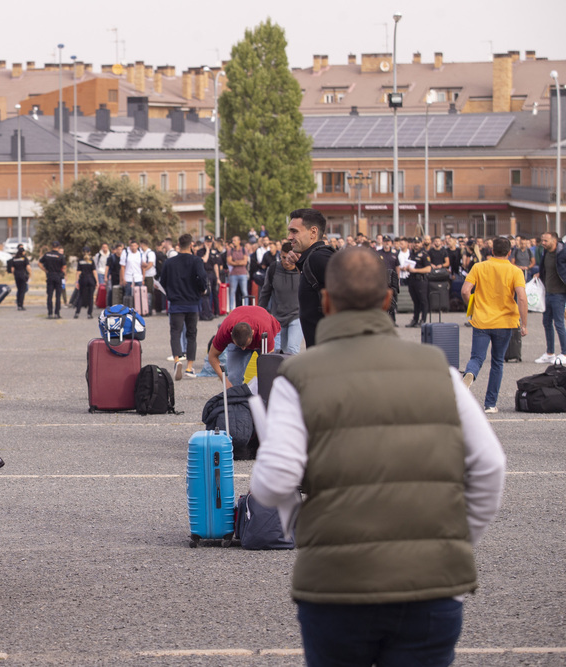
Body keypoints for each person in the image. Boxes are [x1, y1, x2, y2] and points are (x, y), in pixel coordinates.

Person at [250, 246, 506, 667]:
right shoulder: (438, 370)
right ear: (388, 300)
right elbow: (490, 466)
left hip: (336, 585)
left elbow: (276, 481)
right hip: (431, 583)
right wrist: (457, 541)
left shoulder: (297, 376)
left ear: (326, 301)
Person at [461, 236, 527, 413]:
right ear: (509, 252)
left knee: (477, 357)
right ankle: (490, 404)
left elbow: (465, 290)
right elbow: (521, 297)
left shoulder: (479, 267)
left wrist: (473, 308)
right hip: (505, 322)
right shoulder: (515, 271)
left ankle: (470, 374)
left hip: (482, 319)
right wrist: (525, 323)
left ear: (491, 251)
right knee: (497, 362)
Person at [158, 233, 208, 380]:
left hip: (176, 303)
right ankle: (189, 367)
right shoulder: (197, 260)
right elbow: (202, 278)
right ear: (191, 245)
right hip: (192, 303)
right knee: (191, 334)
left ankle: (177, 360)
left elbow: (163, 281)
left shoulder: (169, 262)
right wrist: (202, 289)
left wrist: (171, 293)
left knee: (175, 333)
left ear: (178, 245)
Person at [284, 208, 332, 348]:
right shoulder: (311, 259)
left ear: (313, 232)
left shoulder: (320, 258)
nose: (289, 237)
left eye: (295, 231)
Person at [206, 304, 281, 386]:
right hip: (244, 335)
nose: (243, 349)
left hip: (266, 334)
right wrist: (226, 382)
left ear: (252, 333)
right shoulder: (225, 331)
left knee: (271, 375)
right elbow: (212, 356)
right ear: (231, 335)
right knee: (234, 377)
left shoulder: (264, 330)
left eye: (245, 345)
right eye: (240, 346)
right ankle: (236, 396)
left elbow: (269, 363)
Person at [259, 242, 302, 355]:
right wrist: (260, 313)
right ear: (280, 255)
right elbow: (265, 292)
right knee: (280, 352)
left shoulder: (302, 270)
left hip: (297, 316)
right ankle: (281, 373)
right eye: (284, 257)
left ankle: (293, 373)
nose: (287, 261)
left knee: (292, 350)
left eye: (290, 258)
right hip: (278, 317)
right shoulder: (273, 269)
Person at [535, 232, 566, 364]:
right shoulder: (546, 252)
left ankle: (564, 353)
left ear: (554, 240)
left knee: (559, 323)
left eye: (546, 240)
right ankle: (550, 353)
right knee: (546, 322)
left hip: (559, 293)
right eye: (542, 240)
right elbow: (544, 269)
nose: (543, 243)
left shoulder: (563, 252)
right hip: (547, 292)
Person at [401, 238, 431, 327]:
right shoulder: (411, 254)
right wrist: (406, 268)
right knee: (415, 301)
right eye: (415, 243)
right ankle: (415, 319)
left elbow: (428, 269)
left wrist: (415, 270)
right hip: (412, 279)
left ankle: (423, 320)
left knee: (423, 301)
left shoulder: (424, 254)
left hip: (421, 280)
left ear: (421, 244)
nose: (416, 244)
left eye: (418, 243)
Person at [39, 242, 66, 319]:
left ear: (52, 246)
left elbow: (39, 263)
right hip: (58, 276)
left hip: (50, 276)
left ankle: (50, 313)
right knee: (58, 296)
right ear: (58, 247)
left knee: (49, 296)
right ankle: (57, 313)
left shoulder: (47, 255)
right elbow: (64, 266)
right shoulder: (60, 256)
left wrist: (45, 270)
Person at [226, 236, 249, 311]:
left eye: (235, 240)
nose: (233, 242)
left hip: (243, 273)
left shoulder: (244, 250)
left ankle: (246, 308)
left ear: (239, 241)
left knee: (244, 291)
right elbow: (229, 262)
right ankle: (231, 308)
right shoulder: (230, 250)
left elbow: (245, 262)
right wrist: (240, 262)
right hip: (233, 274)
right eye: (233, 240)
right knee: (232, 292)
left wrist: (235, 262)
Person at [74, 248, 97, 319]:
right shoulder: (91, 261)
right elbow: (94, 272)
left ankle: (77, 313)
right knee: (90, 297)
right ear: (89, 252)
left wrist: (77, 282)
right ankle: (89, 314)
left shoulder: (80, 261)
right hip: (91, 280)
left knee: (81, 296)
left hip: (83, 280)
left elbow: (78, 272)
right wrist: (97, 281)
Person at [8, 246, 31, 311]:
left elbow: (12, 269)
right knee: (22, 291)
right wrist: (30, 275)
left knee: (18, 290)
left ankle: (18, 304)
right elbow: (28, 268)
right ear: (23, 252)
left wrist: (14, 274)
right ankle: (21, 305)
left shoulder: (14, 258)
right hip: (23, 275)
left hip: (17, 276)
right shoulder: (24, 258)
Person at [139, 239, 157, 314]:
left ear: (142, 245)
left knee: (150, 292)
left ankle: (152, 308)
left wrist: (144, 269)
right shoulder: (142, 253)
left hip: (149, 275)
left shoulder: (150, 253)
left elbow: (150, 264)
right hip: (143, 275)